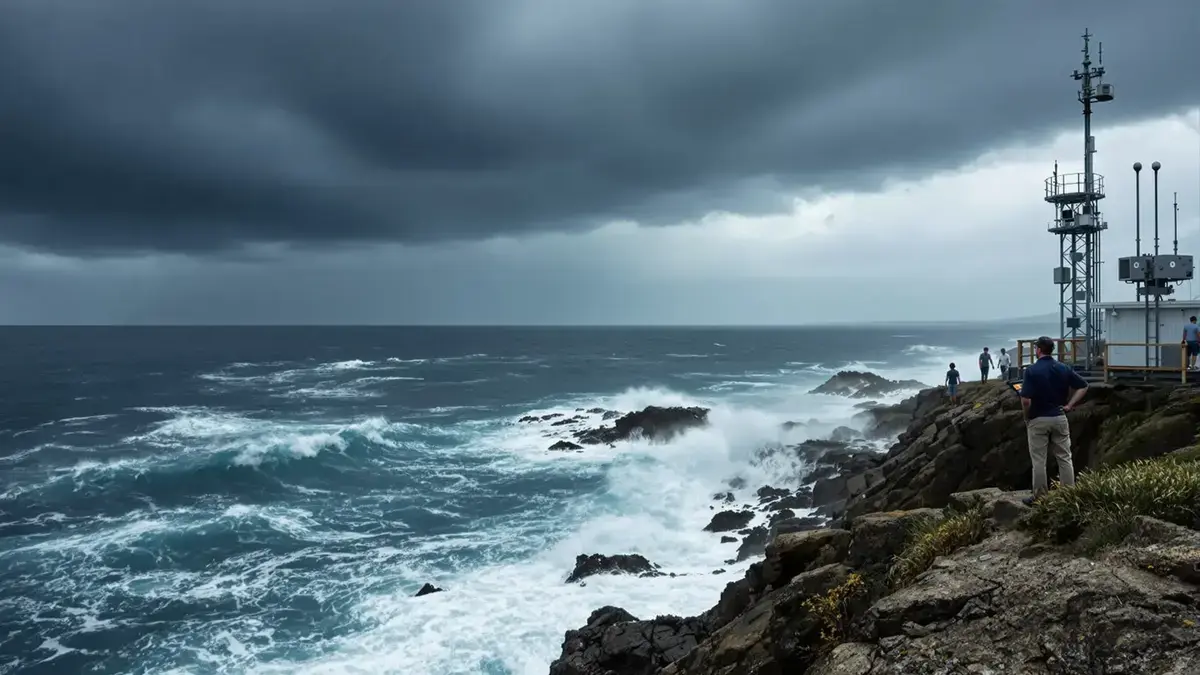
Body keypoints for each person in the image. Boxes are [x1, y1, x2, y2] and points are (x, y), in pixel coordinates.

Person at [1019, 336, 1088, 506]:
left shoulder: (1032, 370)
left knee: (1039, 461)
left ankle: (1040, 497)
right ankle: (1068, 495)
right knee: (1064, 457)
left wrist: (1027, 416)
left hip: (1038, 418)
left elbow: (1026, 400)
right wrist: (1069, 405)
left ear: (1038, 350)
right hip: (1059, 416)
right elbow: (1083, 386)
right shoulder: (1063, 367)